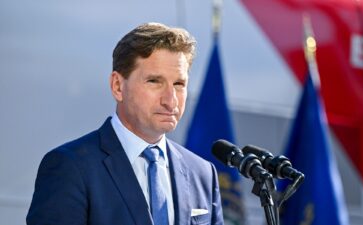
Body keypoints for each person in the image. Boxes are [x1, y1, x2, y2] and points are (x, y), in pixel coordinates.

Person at [26, 22, 224, 225]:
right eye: (154, 81)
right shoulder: (70, 167)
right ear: (118, 86)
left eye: (179, 84)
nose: (170, 100)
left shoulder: (202, 174)